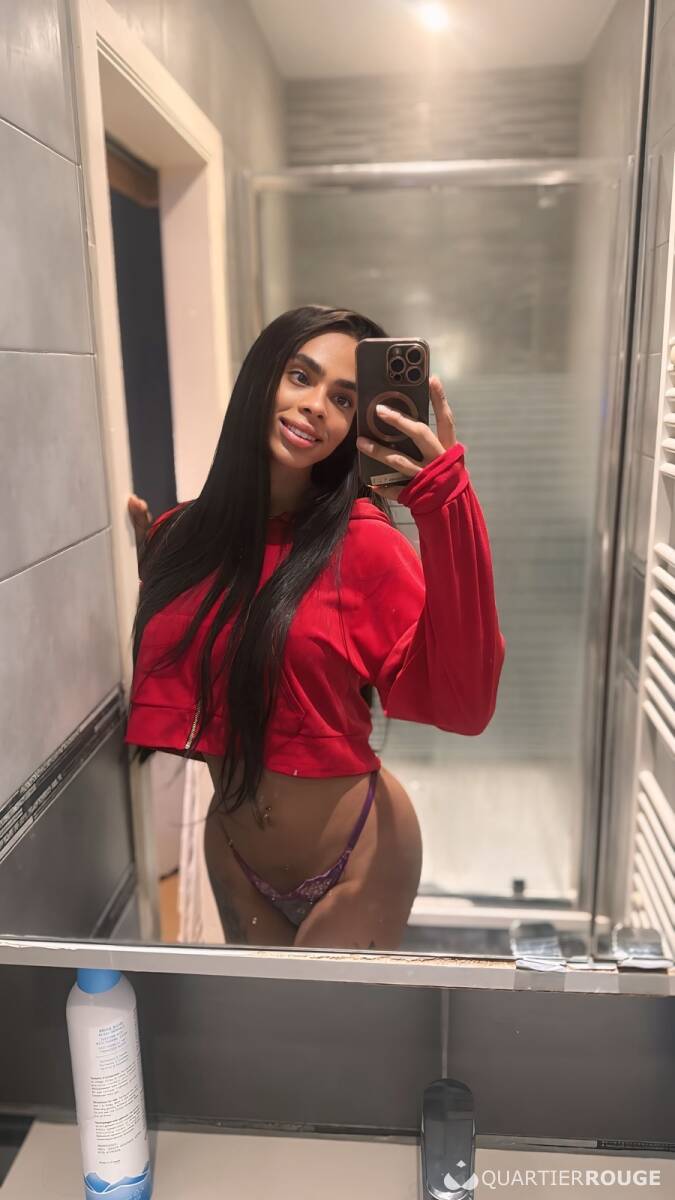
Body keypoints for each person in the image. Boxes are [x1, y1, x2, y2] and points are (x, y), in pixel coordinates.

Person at [125, 304, 505, 950]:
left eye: (343, 399)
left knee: (331, 1020)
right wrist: (162, 575)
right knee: (262, 1017)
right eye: (300, 376)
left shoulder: (366, 546)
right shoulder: (180, 538)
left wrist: (445, 504)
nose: (315, 406)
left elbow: (465, 704)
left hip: (360, 857)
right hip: (232, 852)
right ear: (262, 376)